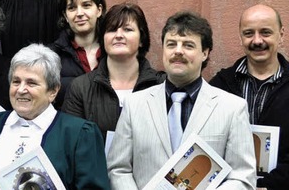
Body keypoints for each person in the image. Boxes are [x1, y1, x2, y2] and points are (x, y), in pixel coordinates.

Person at [107, 11, 256, 189]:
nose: (178, 51)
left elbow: (242, 177)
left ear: (205, 53)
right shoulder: (134, 105)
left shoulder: (232, 108)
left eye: (188, 45)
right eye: (171, 44)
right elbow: (118, 169)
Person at [0, 44, 110, 189]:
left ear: (53, 91)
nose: (21, 90)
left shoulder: (79, 135)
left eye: (31, 83)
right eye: (16, 81)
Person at [210, 4, 289, 189]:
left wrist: (267, 186)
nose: (257, 40)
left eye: (266, 32)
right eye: (248, 33)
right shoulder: (219, 85)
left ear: (282, 35)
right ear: (240, 37)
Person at [62, 3, 165, 138]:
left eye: (127, 29)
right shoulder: (81, 87)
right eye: (111, 30)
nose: (118, 35)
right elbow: (71, 140)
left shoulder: (160, 85)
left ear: (142, 39)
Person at [49, 0, 107, 109]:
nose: (79, 13)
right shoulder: (51, 56)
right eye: (72, 8)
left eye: (86, 5)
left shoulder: (113, 53)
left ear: (99, 10)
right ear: (65, 15)